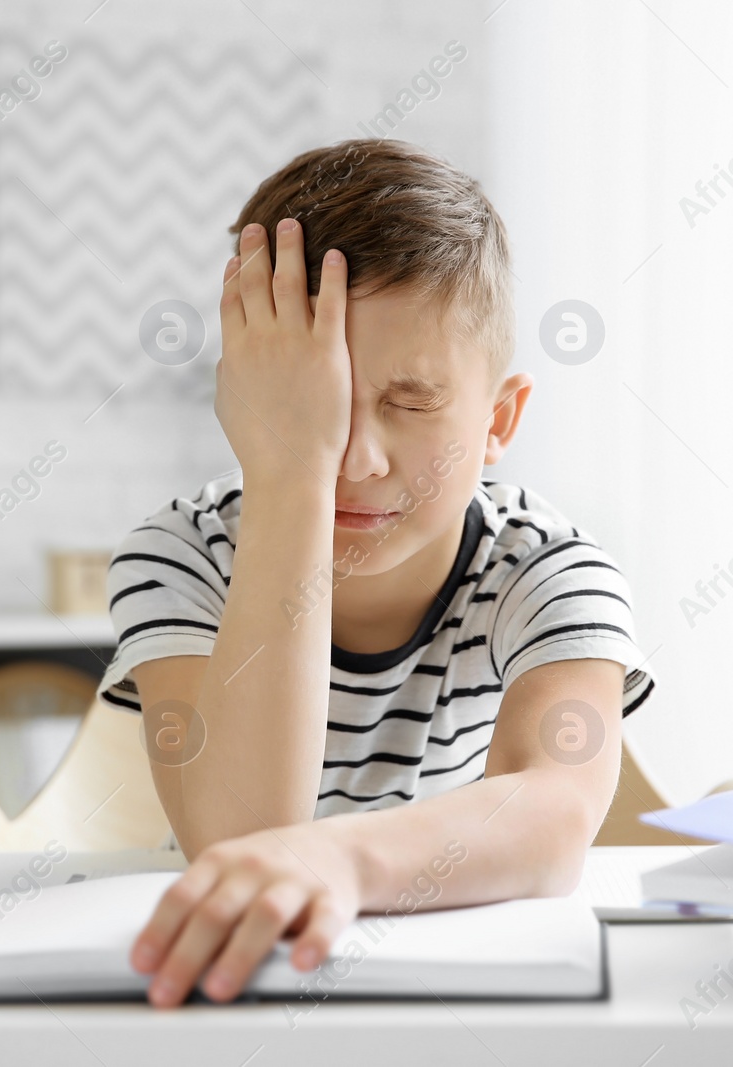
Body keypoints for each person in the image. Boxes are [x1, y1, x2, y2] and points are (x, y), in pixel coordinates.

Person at [97, 139, 654, 1007]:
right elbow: (242, 838)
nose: (354, 458)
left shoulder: (546, 567)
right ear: (250, 398)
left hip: (453, 987)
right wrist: (288, 472)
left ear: (500, 418)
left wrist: (336, 857)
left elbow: (554, 816)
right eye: (317, 403)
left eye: (411, 402)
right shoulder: (182, 557)